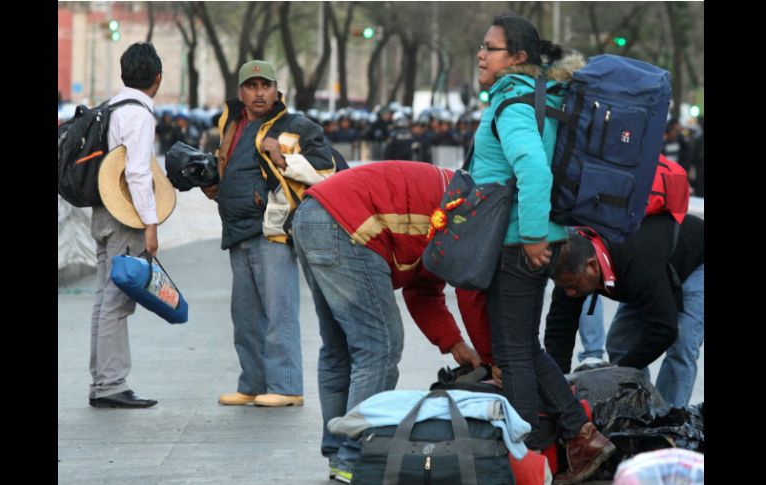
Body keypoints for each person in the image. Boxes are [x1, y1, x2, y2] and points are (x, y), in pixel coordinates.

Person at [469, 13, 615, 484]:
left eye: (491, 48)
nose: (481, 54)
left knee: (513, 355)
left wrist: (531, 235)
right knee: (523, 347)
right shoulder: (541, 98)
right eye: (483, 46)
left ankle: (529, 457)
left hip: (517, 240)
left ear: (518, 58)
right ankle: (578, 436)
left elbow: (532, 166)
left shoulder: (512, 102)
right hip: (534, 235)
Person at [291, 161, 493, 483]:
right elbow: (471, 292)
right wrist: (493, 358)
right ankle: (355, 457)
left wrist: (455, 345)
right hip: (347, 223)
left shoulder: (463, 202)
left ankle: (339, 457)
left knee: (339, 348)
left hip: (312, 215)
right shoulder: (473, 217)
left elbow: (423, 288)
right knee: (380, 346)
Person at [201, 60, 335, 408]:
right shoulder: (232, 124)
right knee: (244, 316)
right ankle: (254, 383)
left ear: (277, 90)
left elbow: (327, 171)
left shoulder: (296, 126)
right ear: (240, 92)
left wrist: (284, 158)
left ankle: (287, 386)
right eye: (251, 85)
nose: (259, 92)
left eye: (266, 85)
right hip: (237, 230)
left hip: (272, 229)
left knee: (280, 312)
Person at [544, 213, 704, 408]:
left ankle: (672, 420)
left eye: (572, 286)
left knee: (682, 343)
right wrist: (559, 389)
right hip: (652, 271)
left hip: (696, 261)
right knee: (620, 343)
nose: (569, 293)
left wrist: (620, 371)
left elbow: (665, 329)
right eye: (564, 287)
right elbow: (559, 332)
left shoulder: (638, 264)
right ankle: (639, 410)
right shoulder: (569, 269)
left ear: (592, 266)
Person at [88, 42, 163, 409]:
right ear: (158, 78)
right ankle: (111, 385)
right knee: (117, 301)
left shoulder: (112, 106)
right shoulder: (139, 113)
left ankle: (102, 381)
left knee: (104, 297)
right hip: (124, 216)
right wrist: (150, 224)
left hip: (102, 212)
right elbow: (136, 172)